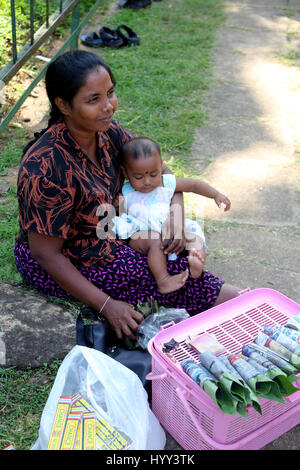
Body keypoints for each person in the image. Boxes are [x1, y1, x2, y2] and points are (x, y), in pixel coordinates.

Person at [15, 50, 239, 343]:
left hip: (111, 233)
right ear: (63, 105)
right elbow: (46, 254)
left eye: (110, 93)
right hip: (68, 258)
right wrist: (108, 306)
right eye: (93, 100)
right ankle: (242, 308)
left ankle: (233, 307)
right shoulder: (45, 168)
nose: (108, 106)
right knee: (178, 272)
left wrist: (175, 214)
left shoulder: (106, 132)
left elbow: (162, 174)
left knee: (179, 249)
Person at [112, 136, 231, 294]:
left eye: (153, 174)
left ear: (161, 166)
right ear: (125, 172)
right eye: (139, 177)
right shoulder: (126, 192)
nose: (147, 181)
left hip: (172, 231)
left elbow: (193, 185)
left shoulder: (166, 182)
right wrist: (117, 206)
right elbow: (119, 214)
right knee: (154, 241)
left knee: (194, 237)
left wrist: (216, 194)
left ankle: (196, 263)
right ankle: (163, 280)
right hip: (143, 234)